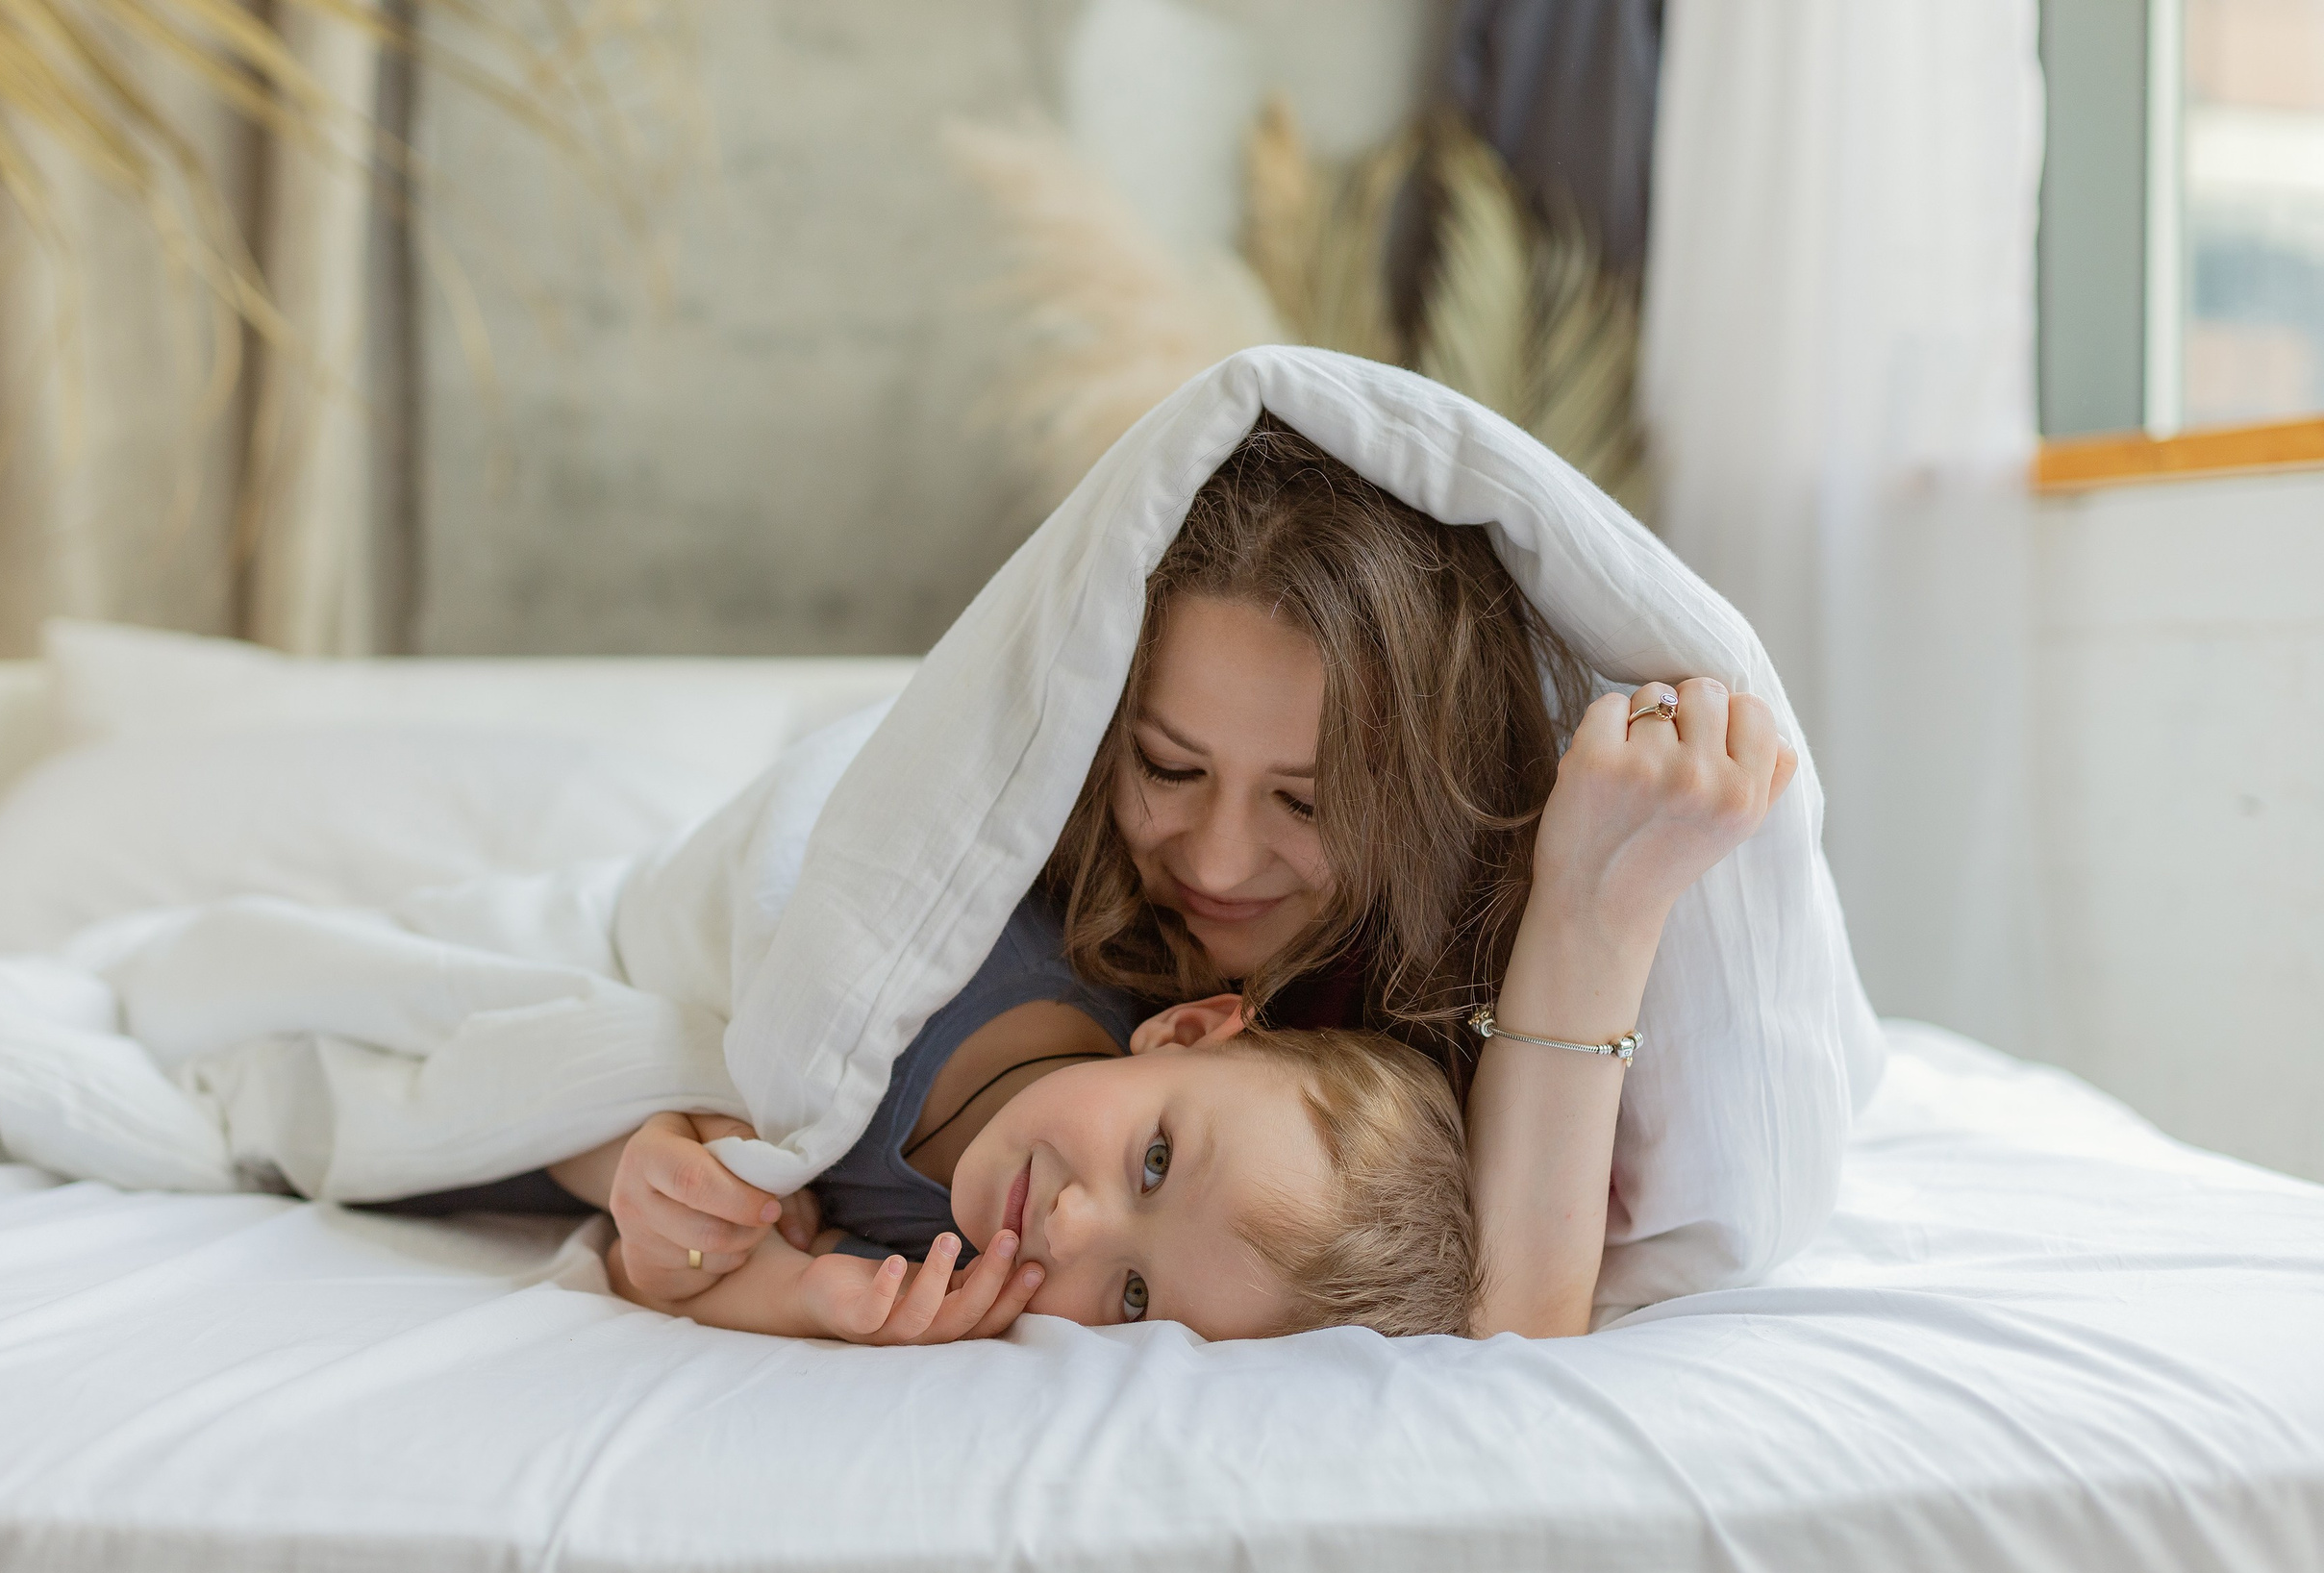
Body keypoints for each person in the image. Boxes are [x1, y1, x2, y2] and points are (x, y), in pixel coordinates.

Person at [579, 415, 1794, 1341]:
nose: (1214, 863)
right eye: (1167, 766)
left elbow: (1514, 1330)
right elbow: (679, 1047)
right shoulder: (994, 871)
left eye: (1308, 802)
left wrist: (1593, 905)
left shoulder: (1366, 1083)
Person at [561, 977, 1476, 1344]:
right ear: (1183, 1031)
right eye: (1155, 1161)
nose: (1071, 1224)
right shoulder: (970, 953)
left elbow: (651, 1274)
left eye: (1133, 1296)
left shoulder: (953, 1280)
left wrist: (804, 1293)